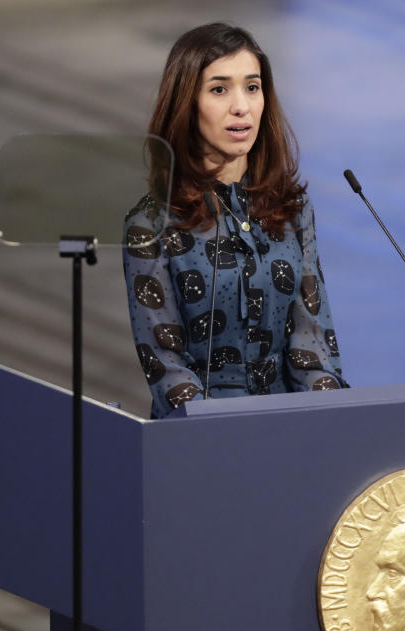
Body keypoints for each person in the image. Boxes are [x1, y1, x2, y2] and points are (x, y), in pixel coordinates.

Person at [123, 23, 346, 418]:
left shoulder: (292, 209)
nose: (241, 106)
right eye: (219, 89)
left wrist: (336, 419)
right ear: (185, 104)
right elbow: (165, 365)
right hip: (201, 438)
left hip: (290, 428)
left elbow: (312, 345)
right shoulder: (151, 224)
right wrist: (227, 438)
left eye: (253, 87)